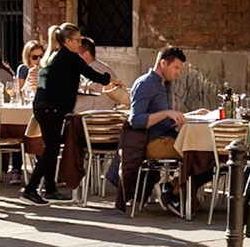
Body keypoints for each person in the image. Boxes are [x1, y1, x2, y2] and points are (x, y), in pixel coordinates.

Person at [26, 23, 112, 204]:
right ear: (67, 41)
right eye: (78, 40)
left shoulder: (53, 57)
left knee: (53, 147)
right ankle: (30, 189)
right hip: (52, 108)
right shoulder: (70, 57)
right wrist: (109, 80)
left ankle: (50, 188)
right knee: (51, 149)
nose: (80, 44)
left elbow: (58, 82)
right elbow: (92, 74)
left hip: (44, 106)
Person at [116, 47, 188, 213]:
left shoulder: (166, 85)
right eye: (176, 68)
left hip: (169, 136)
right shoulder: (145, 84)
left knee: (207, 153)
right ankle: (173, 192)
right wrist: (165, 113)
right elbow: (135, 120)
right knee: (197, 153)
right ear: (163, 63)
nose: (178, 73)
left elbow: (168, 116)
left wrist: (189, 115)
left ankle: (172, 187)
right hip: (154, 140)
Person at [73, 38, 121, 114]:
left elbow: (83, 89)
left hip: (93, 116)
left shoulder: (96, 68)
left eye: (76, 55)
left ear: (86, 55)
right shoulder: (97, 66)